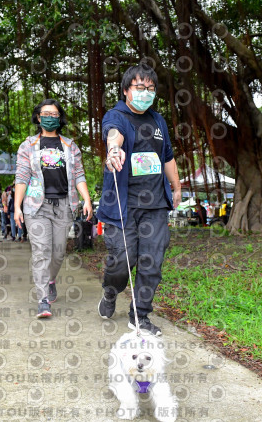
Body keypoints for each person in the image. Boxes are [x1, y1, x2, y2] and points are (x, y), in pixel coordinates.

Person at [96, 63, 181, 336]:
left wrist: (176, 187)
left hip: (155, 205)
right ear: (126, 90)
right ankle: (111, 290)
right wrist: (114, 150)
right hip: (123, 203)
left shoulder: (158, 121)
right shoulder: (117, 115)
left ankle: (140, 315)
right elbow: (113, 134)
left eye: (151, 88)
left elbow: (167, 155)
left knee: (151, 262)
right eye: (140, 87)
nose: (146, 92)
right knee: (122, 258)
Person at [14, 99, 93, 318]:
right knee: (41, 252)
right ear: (38, 118)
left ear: (60, 118)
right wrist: (17, 207)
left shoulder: (70, 145)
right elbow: (21, 176)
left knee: (58, 253)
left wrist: (86, 199)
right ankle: (43, 300)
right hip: (36, 207)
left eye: (54, 113)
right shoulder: (27, 146)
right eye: (45, 113)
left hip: (64, 206)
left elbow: (78, 175)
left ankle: (50, 280)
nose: (50, 117)